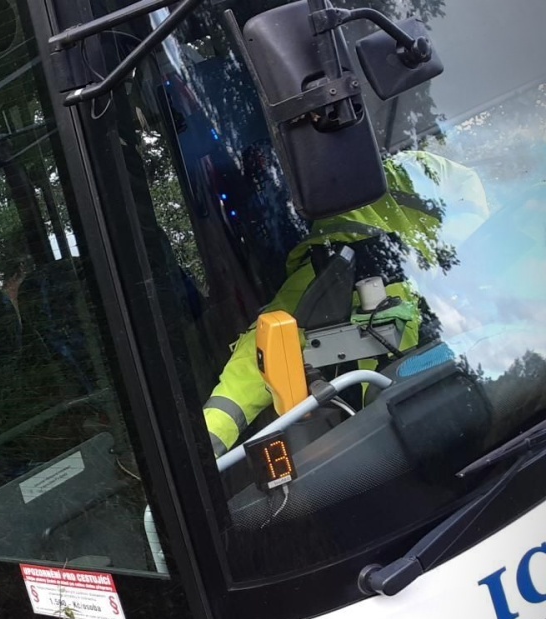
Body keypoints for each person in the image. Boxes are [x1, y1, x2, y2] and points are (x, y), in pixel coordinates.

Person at [202, 151, 490, 456]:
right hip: (458, 433)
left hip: (462, 428)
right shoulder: (423, 171)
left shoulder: (416, 171)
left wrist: (202, 453)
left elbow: (256, 357)